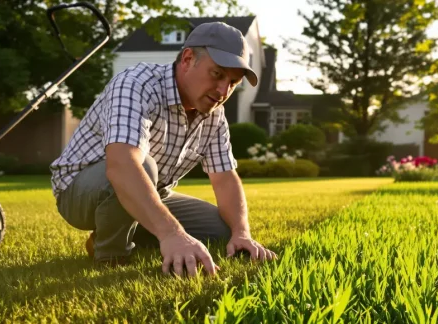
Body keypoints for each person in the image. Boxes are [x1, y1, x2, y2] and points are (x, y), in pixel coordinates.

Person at [49, 21, 276, 277]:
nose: (223, 91)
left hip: (152, 190)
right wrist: (172, 233)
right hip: (79, 191)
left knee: (222, 230)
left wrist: (241, 232)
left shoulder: (214, 114)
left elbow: (225, 178)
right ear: (188, 59)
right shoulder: (137, 84)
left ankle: (138, 228)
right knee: (144, 165)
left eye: (233, 83)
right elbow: (122, 164)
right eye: (217, 74)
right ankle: (111, 256)